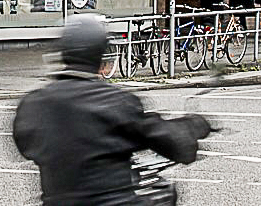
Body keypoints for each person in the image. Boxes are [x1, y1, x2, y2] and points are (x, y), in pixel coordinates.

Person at [12, 14, 213, 203]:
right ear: (101, 55)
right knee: (162, 196)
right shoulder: (116, 102)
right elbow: (173, 142)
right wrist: (194, 126)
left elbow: (26, 146)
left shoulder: (32, 105)